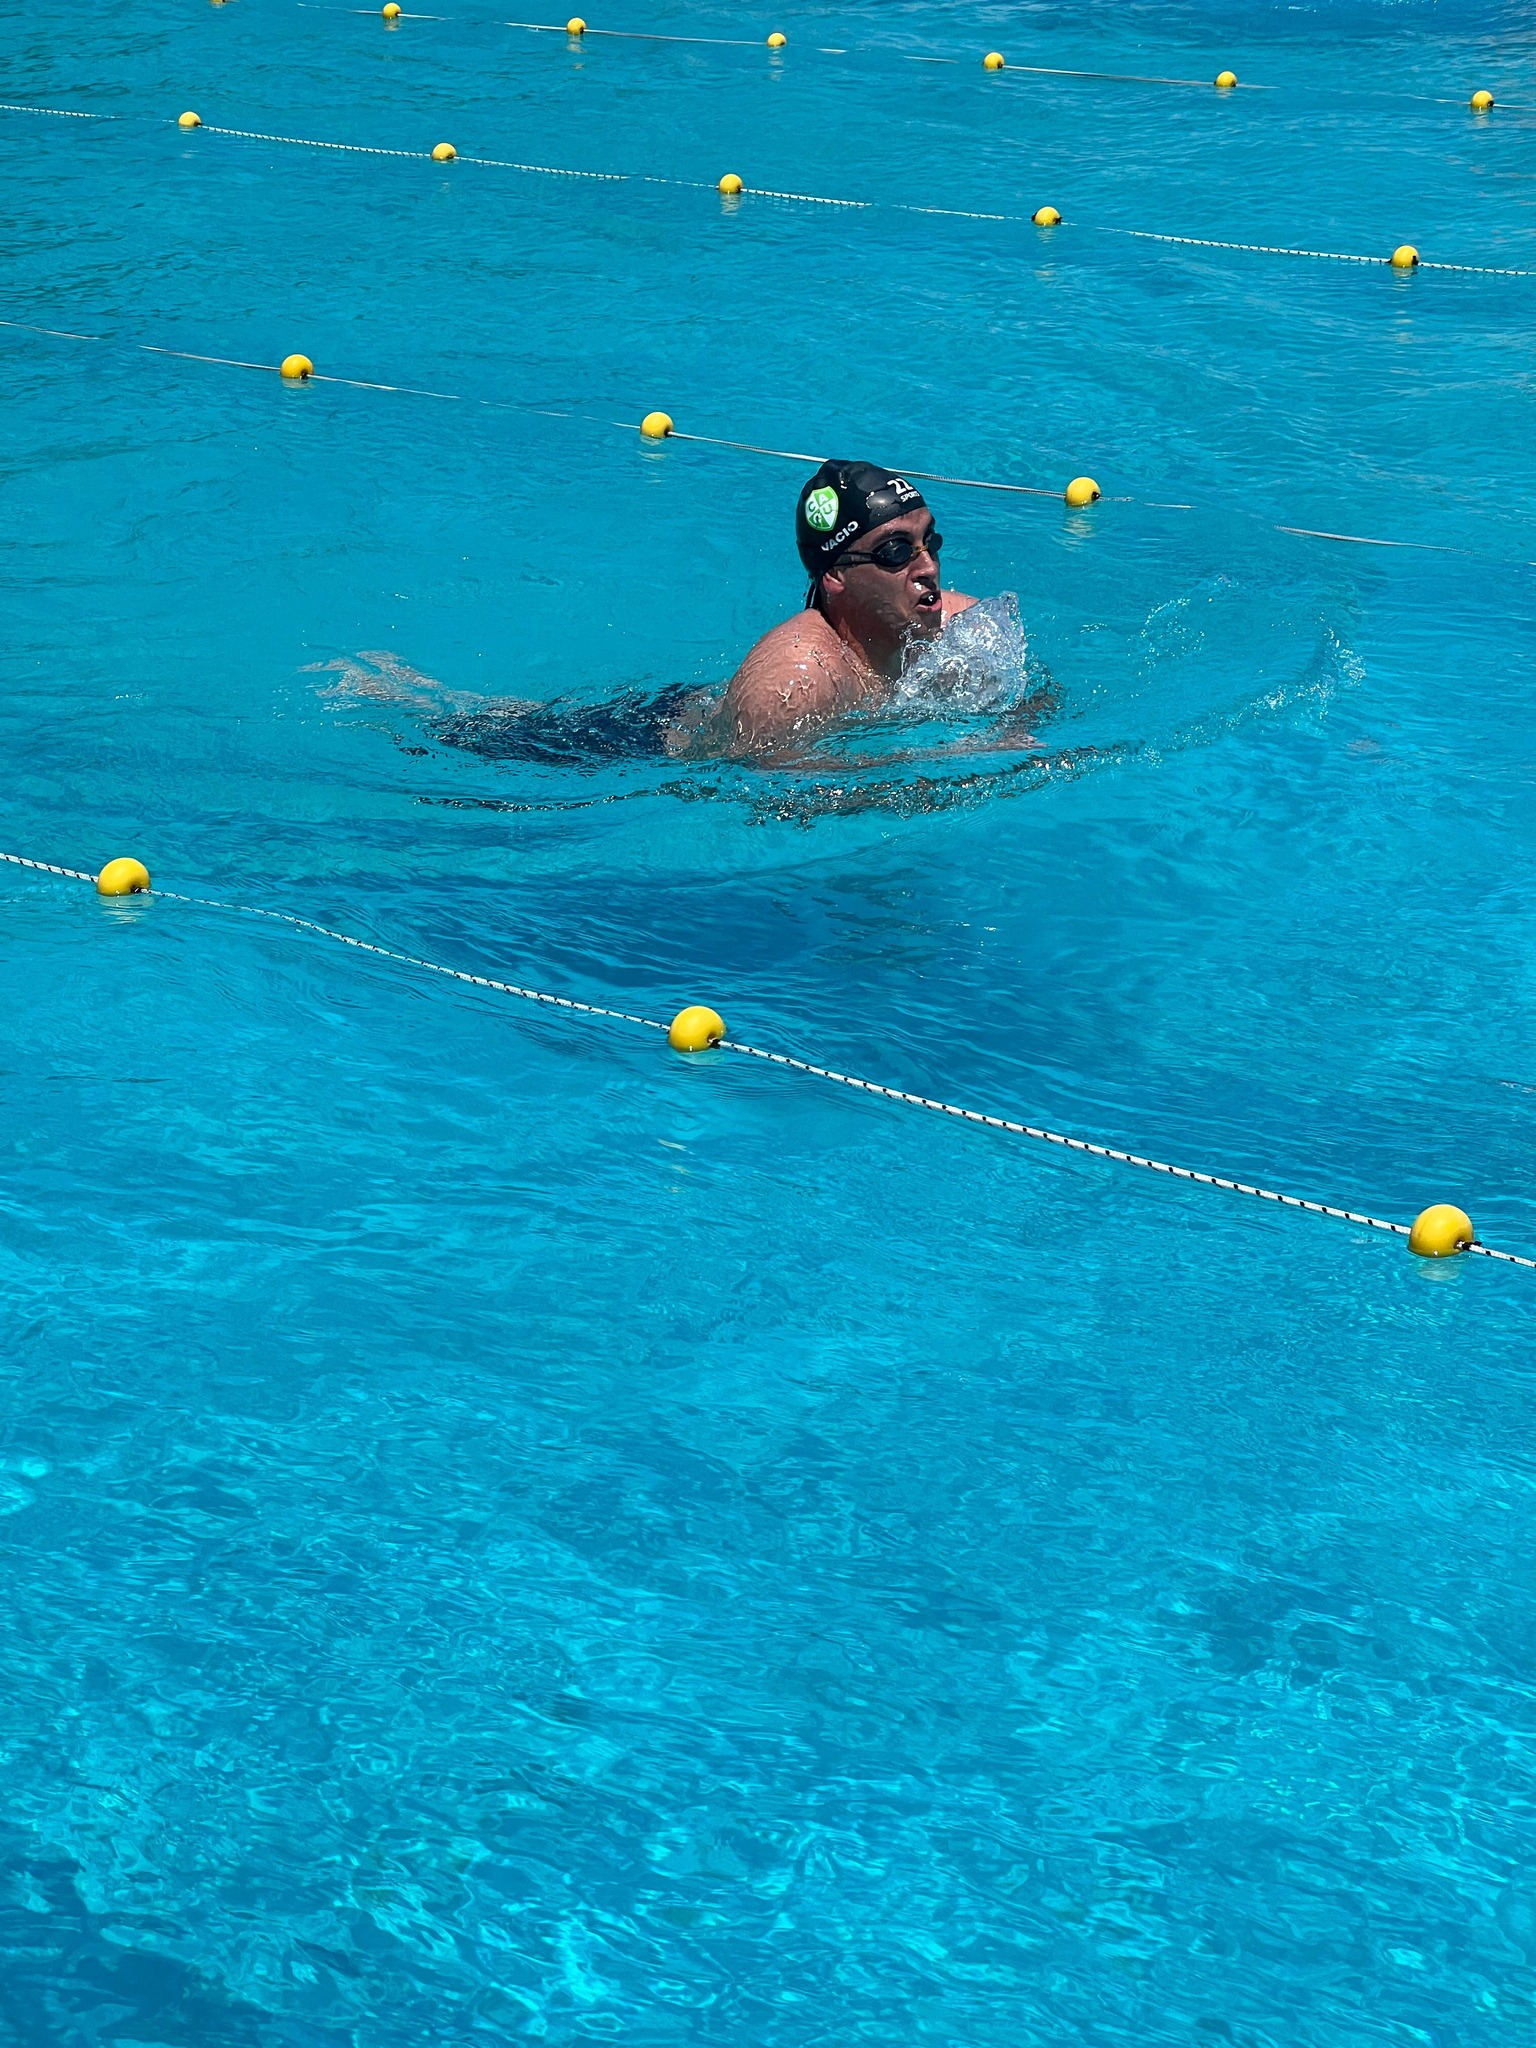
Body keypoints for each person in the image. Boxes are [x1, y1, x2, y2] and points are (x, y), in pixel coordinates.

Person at [712, 460, 976, 756]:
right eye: (896, 551)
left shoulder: (963, 624)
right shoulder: (794, 686)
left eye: (929, 541)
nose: (929, 567)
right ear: (835, 576)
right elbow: (762, 780)